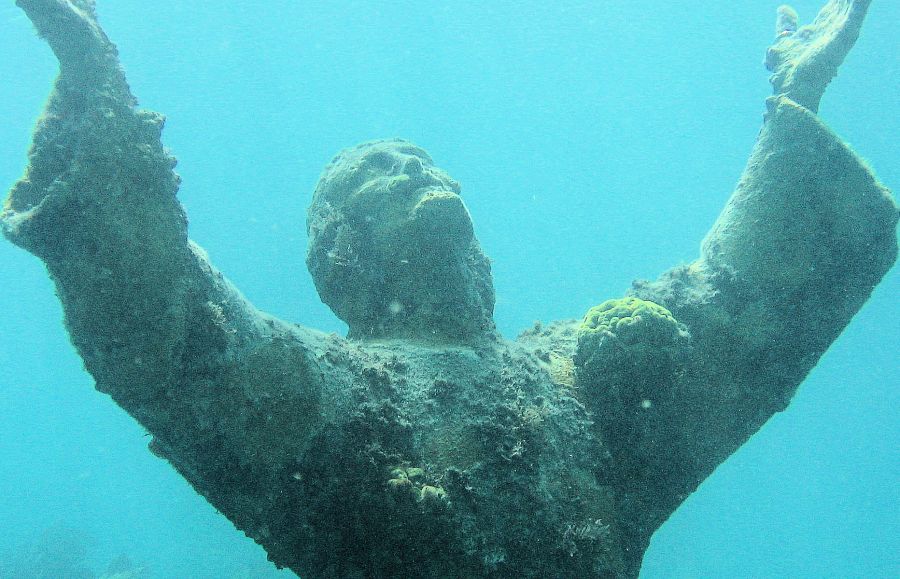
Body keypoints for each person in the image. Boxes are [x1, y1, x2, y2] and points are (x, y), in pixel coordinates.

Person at [3, 0, 896, 577]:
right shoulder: (321, 392)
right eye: (381, 174)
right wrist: (97, 109)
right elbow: (169, 331)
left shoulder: (587, 377)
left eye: (426, 161)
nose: (422, 177)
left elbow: (737, 313)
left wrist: (799, 102)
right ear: (338, 259)